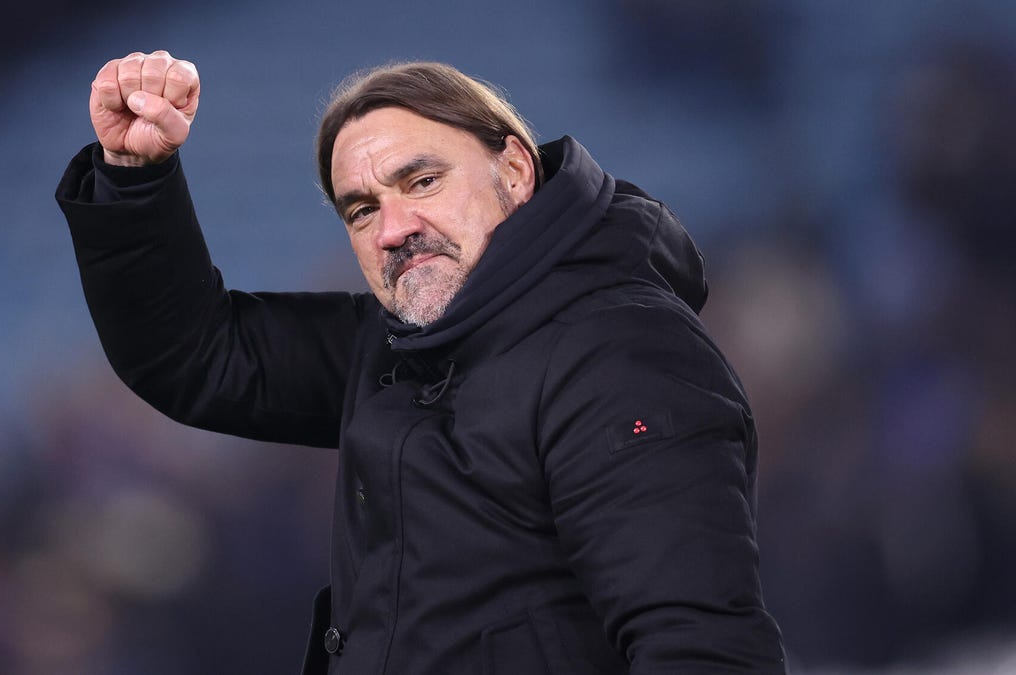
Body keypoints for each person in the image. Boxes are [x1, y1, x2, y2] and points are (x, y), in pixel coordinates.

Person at [55, 50, 787, 674]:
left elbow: (700, 646)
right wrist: (135, 175)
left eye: (422, 182)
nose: (394, 229)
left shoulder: (619, 352)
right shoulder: (395, 345)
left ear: (516, 171)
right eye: (362, 209)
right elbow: (200, 354)